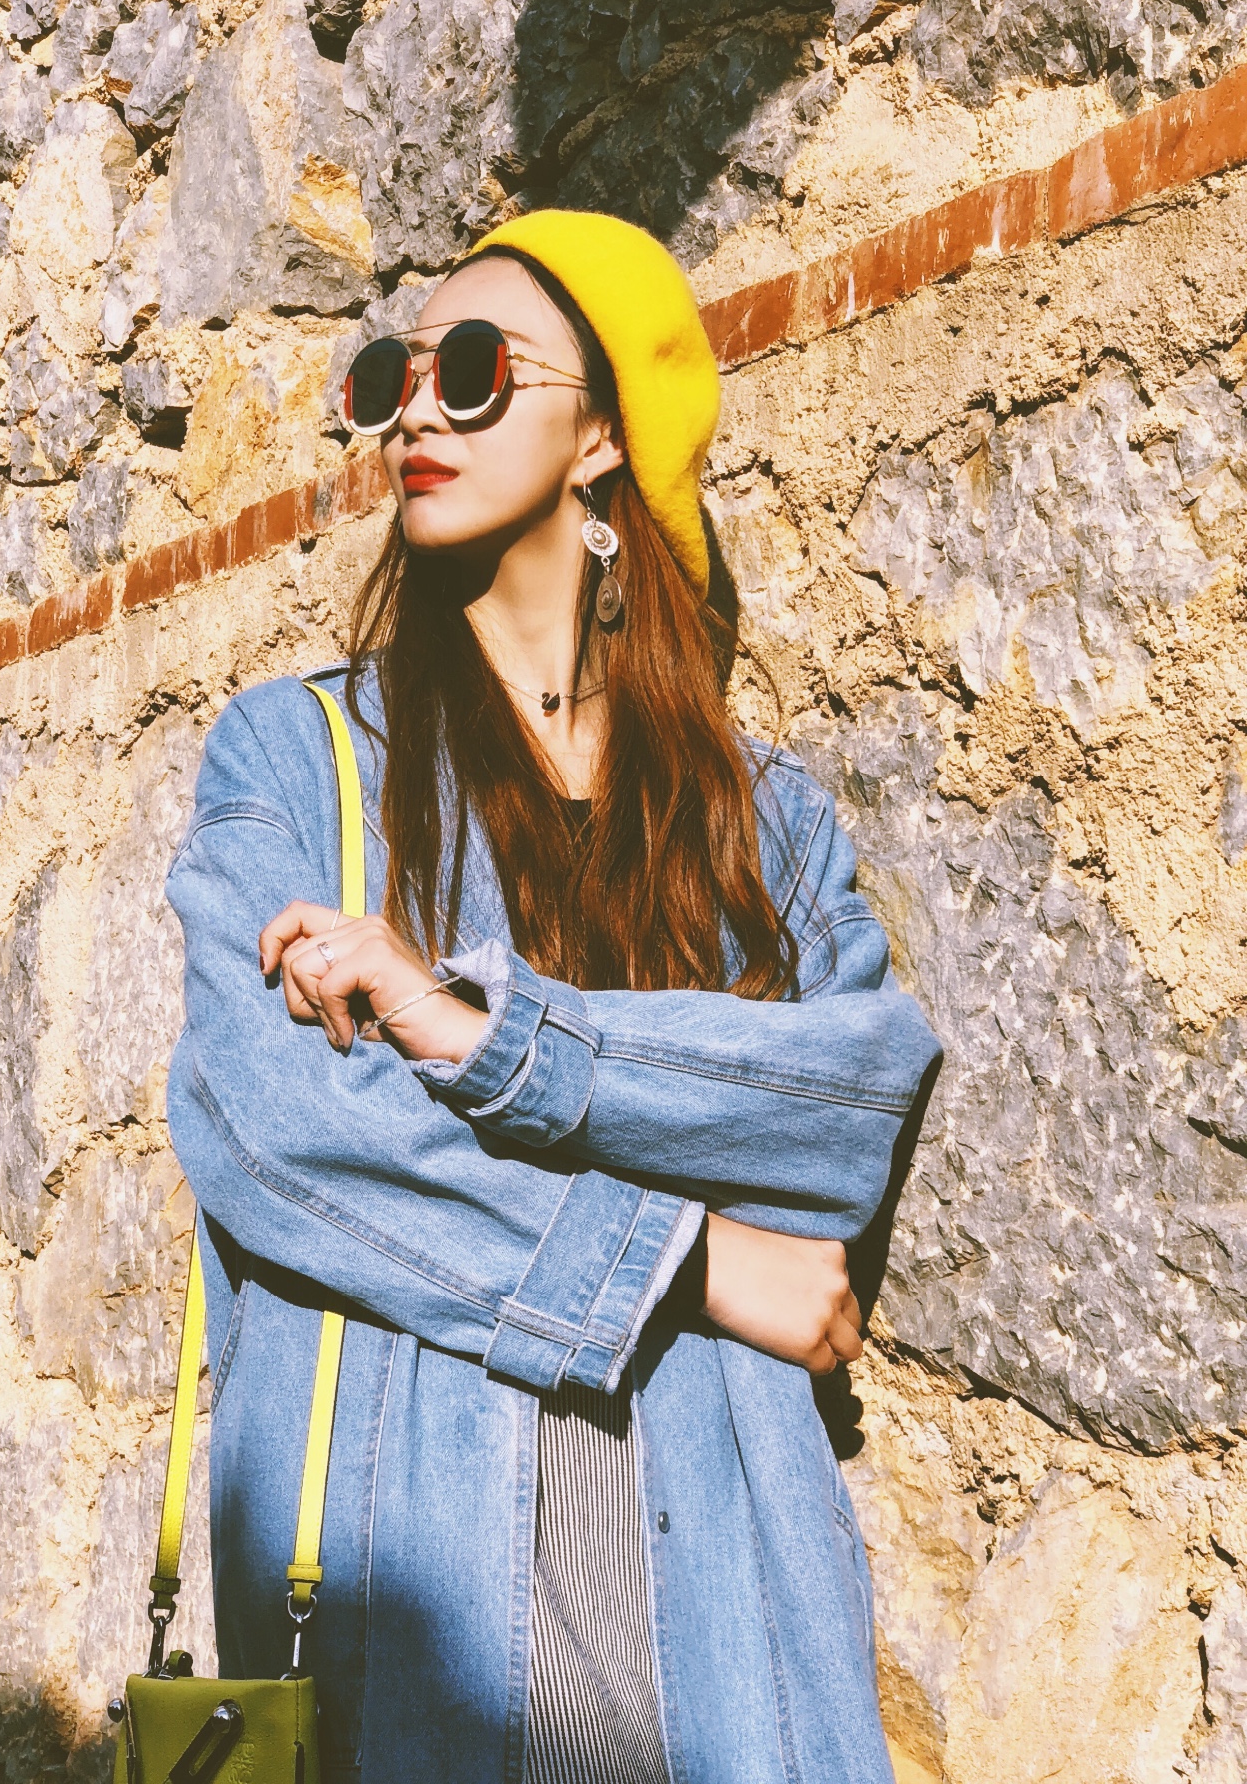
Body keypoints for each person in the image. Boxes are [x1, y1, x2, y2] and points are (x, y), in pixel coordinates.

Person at [165, 209, 942, 1784]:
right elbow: (274, 1124)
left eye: (471, 370)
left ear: (602, 438)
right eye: (392, 378)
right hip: (415, 1597)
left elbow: (846, 1107)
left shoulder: (761, 824)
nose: (418, 412)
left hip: (719, 1608)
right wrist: (692, 1262)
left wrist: (488, 1039)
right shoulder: (297, 762)